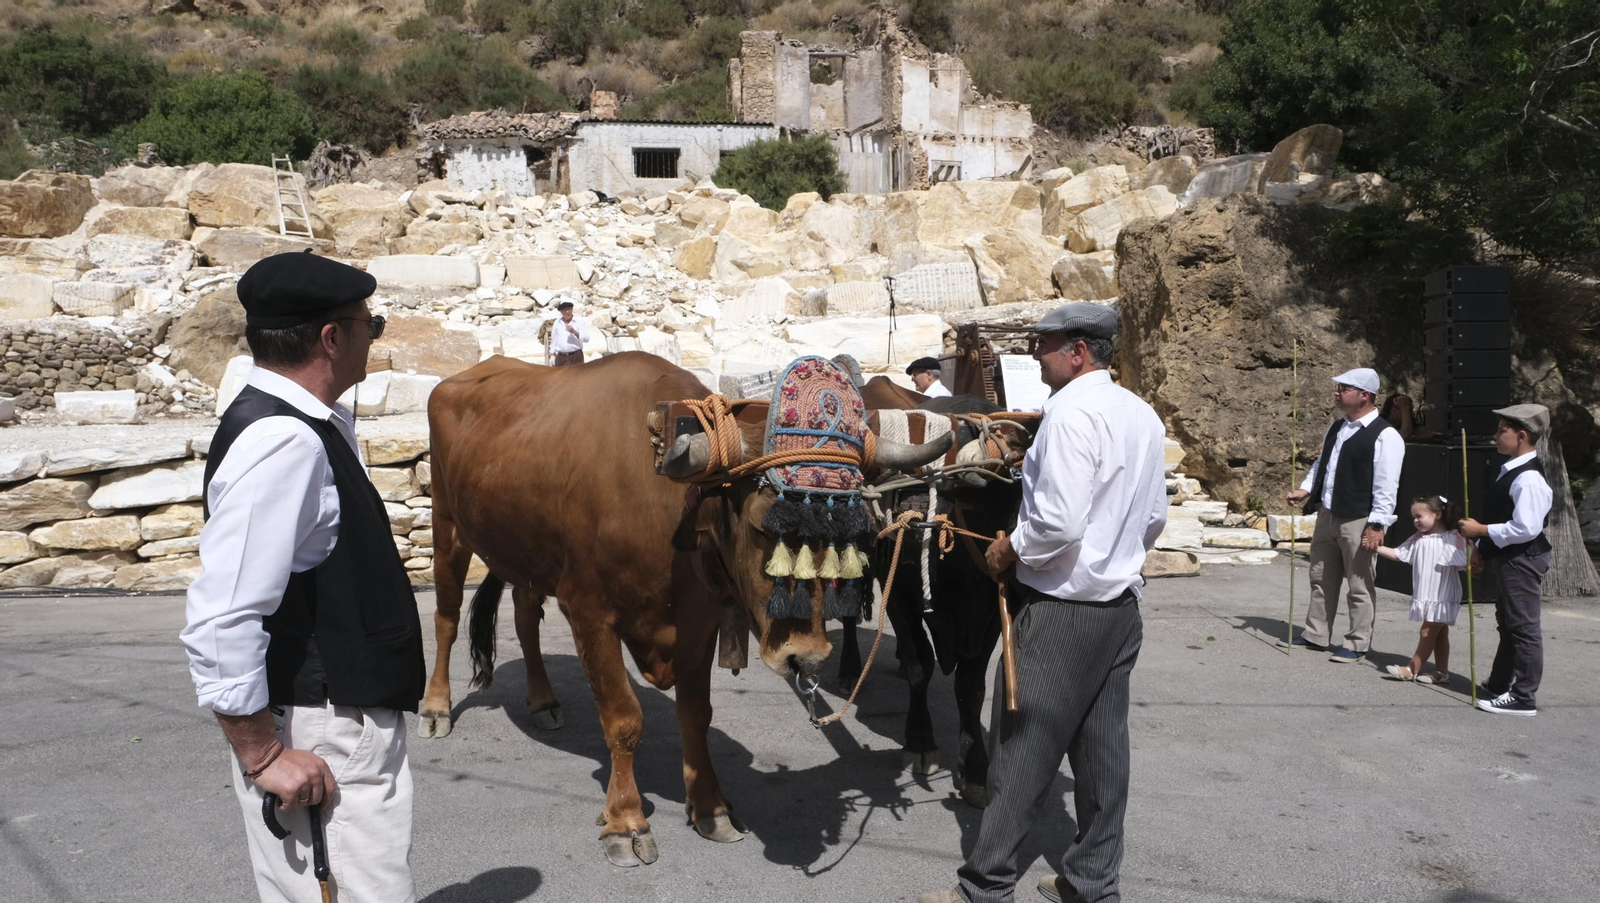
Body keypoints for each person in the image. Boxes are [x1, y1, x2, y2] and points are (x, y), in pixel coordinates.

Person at [180, 251, 425, 902]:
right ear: (332, 336)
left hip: (331, 723)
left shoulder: (303, 421)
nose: (374, 337)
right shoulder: (283, 440)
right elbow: (219, 614)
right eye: (370, 325)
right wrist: (263, 754)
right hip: (322, 733)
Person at [919, 302, 1169, 903]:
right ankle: (1092, 884)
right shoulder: (1142, 414)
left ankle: (984, 887)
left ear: (1078, 351)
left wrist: (1011, 551)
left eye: (1045, 344)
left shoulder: (1068, 414)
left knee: (1021, 753)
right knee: (1104, 755)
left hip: (1063, 613)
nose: (1036, 354)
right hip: (1119, 612)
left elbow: (1056, 520)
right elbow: (1155, 518)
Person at [1283, 368, 1403, 663]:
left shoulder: (1386, 436)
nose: (1337, 393)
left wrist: (1377, 524)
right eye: (1338, 388)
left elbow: (1387, 486)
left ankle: (1357, 642)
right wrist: (1306, 490)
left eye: (1343, 389)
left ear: (1364, 395)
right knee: (1321, 576)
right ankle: (1316, 633)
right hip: (1329, 512)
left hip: (1359, 518)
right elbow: (1323, 464)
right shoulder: (1337, 427)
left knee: (1359, 583)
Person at [1459, 404, 1554, 717]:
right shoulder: (1513, 469)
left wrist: (1481, 530)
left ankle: (1524, 696)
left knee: (1523, 627)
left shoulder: (1528, 478)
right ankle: (1500, 682)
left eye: (1502, 430)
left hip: (1522, 558)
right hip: (1510, 557)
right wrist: (1480, 546)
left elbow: (1526, 527)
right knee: (1510, 624)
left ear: (1522, 435)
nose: (1496, 436)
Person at [1374, 495, 1475, 684]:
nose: (1415, 521)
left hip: (1443, 594)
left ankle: (1412, 669)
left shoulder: (1453, 538)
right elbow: (1398, 554)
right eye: (1413, 517)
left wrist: (1471, 553)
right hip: (1427, 594)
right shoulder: (1418, 539)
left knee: (1427, 631)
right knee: (1440, 633)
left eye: (1419, 516)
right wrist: (1375, 549)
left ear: (1437, 514)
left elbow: (1470, 558)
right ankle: (1441, 672)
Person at [548, 299, 590, 366]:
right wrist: (552, 355)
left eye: (569, 309)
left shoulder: (579, 322)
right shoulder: (557, 323)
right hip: (561, 357)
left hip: (576, 356)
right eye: (565, 310)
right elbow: (554, 340)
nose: (567, 312)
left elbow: (587, 339)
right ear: (561, 312)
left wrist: (574, 332)